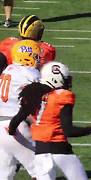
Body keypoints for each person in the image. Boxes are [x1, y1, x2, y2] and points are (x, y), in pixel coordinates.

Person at [8, 61, 91, 179]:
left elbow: (16, 121)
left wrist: (12, 132)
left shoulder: (34, 94)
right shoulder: (62, 96)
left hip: (41, 153)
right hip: (61, 150)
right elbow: (69, 131)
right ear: (56, 79)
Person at [0, 39, 41, 180]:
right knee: (42, 170)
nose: (38, 59)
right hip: (16, 126)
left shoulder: (8, 69)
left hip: (0, 127)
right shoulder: (30, 73)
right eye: (35, 56)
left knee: (5, 175)